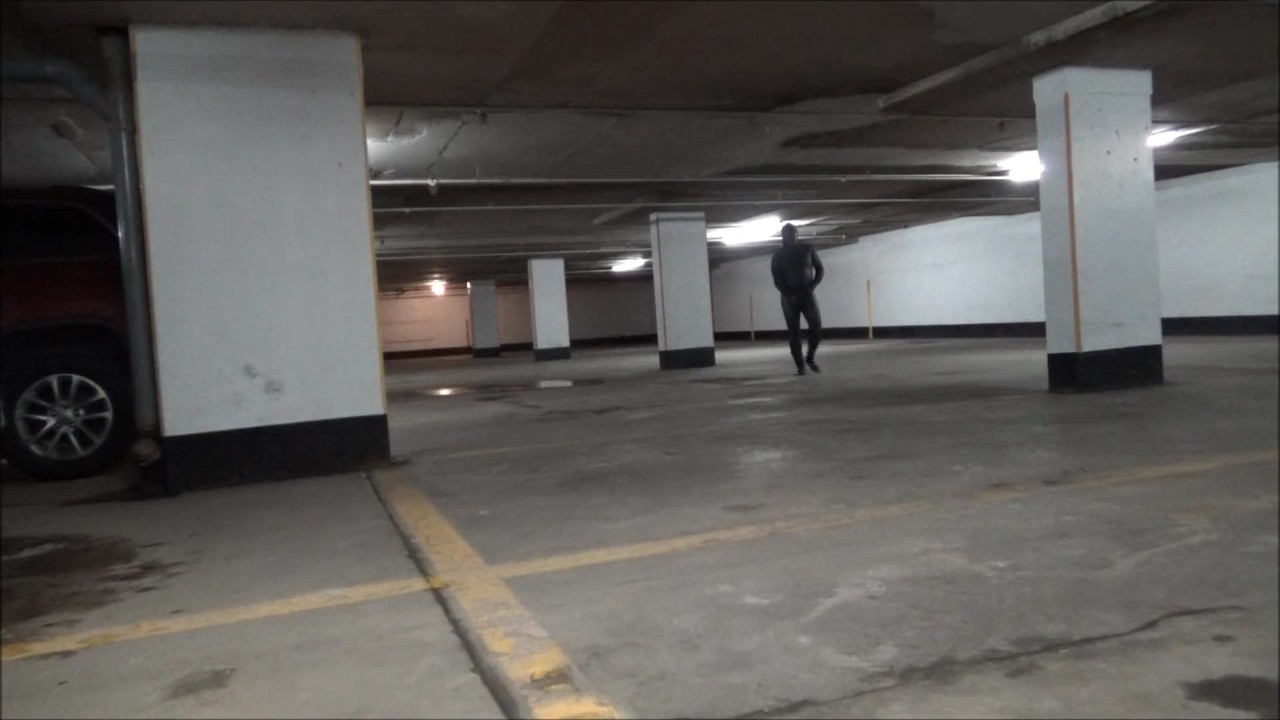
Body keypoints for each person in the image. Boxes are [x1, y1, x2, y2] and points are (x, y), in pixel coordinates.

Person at [770, 223, 824, 375]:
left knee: (816, 327)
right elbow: (778, 280)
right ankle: (800, 366)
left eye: (792, 233)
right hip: (789, 298)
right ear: (783, 236)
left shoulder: (807, 250)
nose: (789, 236)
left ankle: (810, 357)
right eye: (787, 233)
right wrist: (789, 293)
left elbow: (820, 269)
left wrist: (812, 286)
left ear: (796, 235)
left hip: (806, 294)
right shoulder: (778, 255)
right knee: (794, 332)